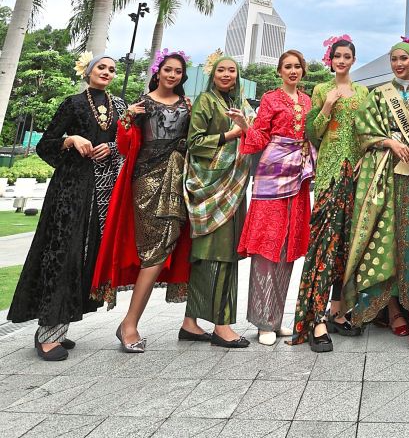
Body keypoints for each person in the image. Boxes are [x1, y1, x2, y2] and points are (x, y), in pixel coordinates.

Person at [9, 54, 125, 361]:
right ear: (88, 72)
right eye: (102, 67)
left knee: (86, 258)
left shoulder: (120, 106)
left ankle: (58, 327)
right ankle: (48, 332)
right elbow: (45, 144)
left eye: (112, 69)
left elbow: (128, 143)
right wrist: (70, 139)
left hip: (102, 193)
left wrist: (111, 147)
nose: (107, 72)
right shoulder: (72, 104)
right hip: (70, 189)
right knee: (63, 253)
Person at [91, 49, 196, 351]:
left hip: (177, 182)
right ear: (158, 71)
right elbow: (124, 148)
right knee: (154, 252)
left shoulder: (187, 105)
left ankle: (129, 323)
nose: (172, 75)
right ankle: (129, 324)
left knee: (164, 247)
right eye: (168, 69)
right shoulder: (142, 104)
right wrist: (126, 120)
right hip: (146, 184)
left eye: (178, 71)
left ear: (182, 76)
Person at [342, 37, 409, 334]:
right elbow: (363, 129)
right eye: (394, 59)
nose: (399, 64)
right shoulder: (379, 94)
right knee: (386, 235)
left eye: (403, 59)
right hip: (385, 171)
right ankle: (392, 308)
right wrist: (391, 141)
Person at [290, 35, 369, 350]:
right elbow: (312, 132)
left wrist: (365, 154)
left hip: (356, 174)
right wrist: (326, 107)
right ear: (330, 59)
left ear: (353, 60)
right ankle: (315, 320)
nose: (341, 61)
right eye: (337, 56)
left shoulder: (363, 92)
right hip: (329, 173)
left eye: (347, 56)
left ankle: (338, 311)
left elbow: (368, 130)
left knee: (346, 246)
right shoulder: (321, 90)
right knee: (324, 244)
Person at [238, 49, 315, 344]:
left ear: (303, 71)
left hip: (299, 175)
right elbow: (259, 138)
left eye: (297, 66)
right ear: (280, 71)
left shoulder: (308, 101)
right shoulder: (270, 99)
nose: (293, 71)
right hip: (272, 174)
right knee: (267, 245)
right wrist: (246, 127)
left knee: (288, 245)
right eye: (287, 67)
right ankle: (261, 321)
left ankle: (277, 318)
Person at [183, 52, 252, 347]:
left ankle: (190, 323)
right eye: (222, 70)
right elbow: (194, 143)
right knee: (215, 255)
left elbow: (253, 136)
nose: (227, 75)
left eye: (232, 71)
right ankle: (221, 326)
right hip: (211, 188)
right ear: (213, 74)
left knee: (222, 254)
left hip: (233, 187)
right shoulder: (206, 101)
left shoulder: (237, 104)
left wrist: (246, 130)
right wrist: (231, 134)